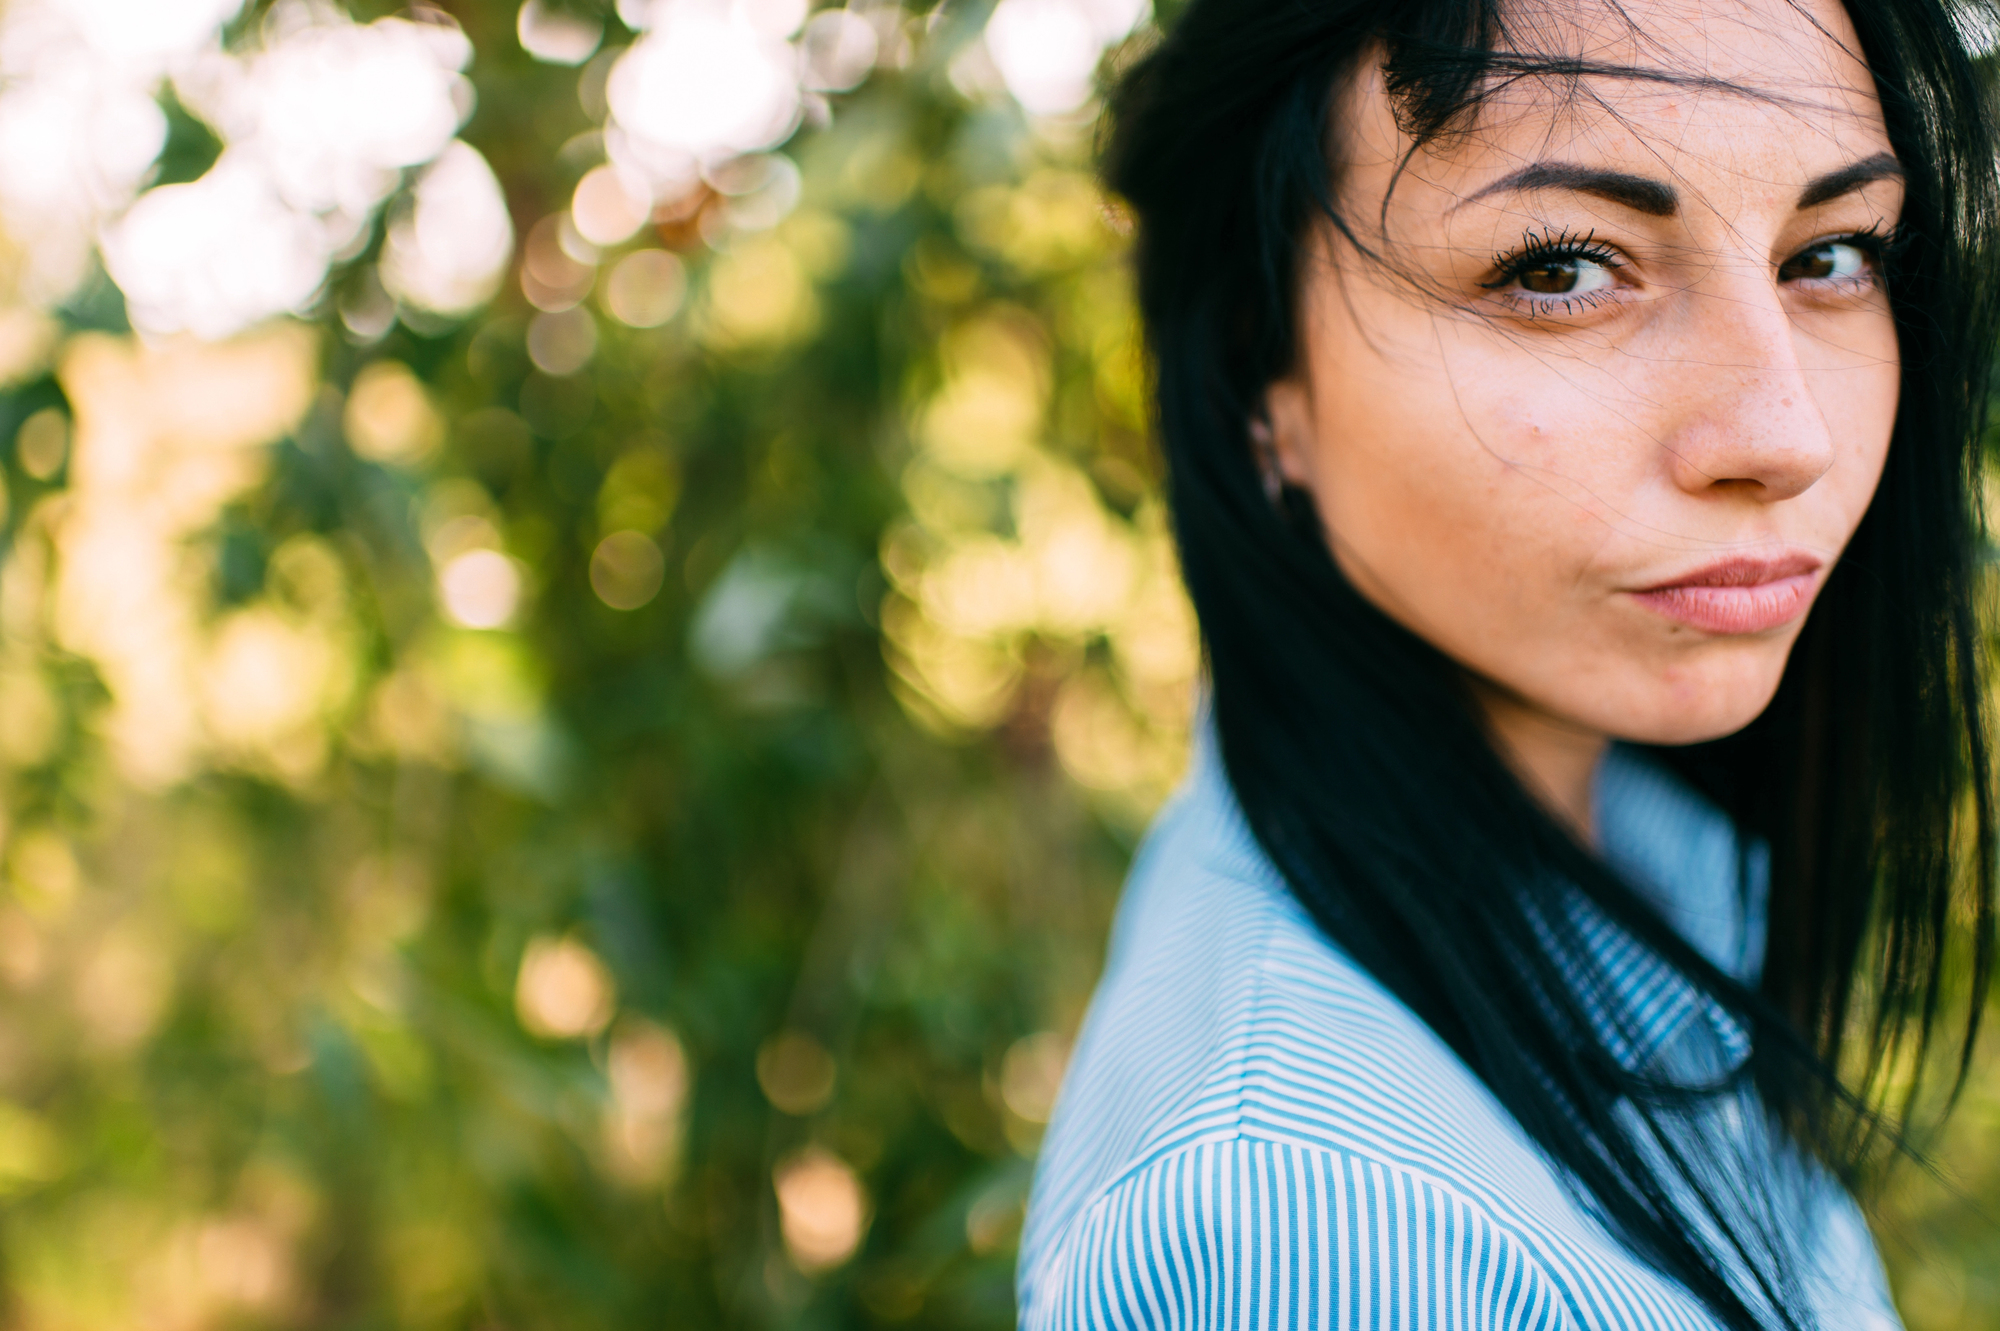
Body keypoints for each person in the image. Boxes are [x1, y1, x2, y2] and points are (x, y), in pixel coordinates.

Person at [1017, 0, 2000, 1327]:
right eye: (1560, 270)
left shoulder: (1638, 852)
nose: (1784, 434)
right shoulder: (1303, 1230)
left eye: (1829, 253)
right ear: (1263, 374)